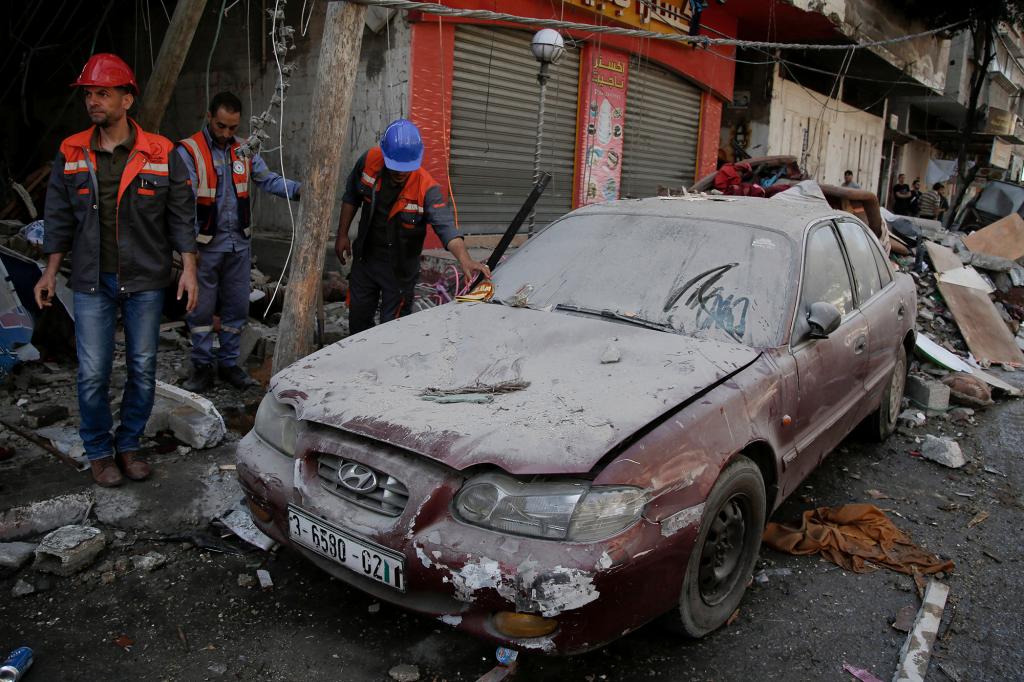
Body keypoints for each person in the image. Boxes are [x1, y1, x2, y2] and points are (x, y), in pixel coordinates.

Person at [35, 54, 199, 487]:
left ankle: (128, 446)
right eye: (89, 94)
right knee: (93, 371)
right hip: (92, 280)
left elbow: (182, 216)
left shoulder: (161, 152)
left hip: (145, 278)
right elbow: (58, 217)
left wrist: (189, 269)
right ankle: (99, 453)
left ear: (127, 99)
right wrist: (49, 273)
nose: (93, 101)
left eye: (103, 93)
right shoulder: (71, 150)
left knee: (143, 368)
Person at [178, 92, 300, 392]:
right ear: (209, 117)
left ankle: (230, 364)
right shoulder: (189, 152)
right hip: (204, 246)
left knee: (236, 307)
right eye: (221, 126)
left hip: (239, 244)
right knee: (201, 310)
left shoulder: (245, 150)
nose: (226, 134)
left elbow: (267, 179)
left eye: (232, 128)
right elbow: (180, 203)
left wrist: (300, 190)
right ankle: (202, 366)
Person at [335, 119, 489, 335]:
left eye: (404, 170)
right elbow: (351, 196)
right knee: (358, 322)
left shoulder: (427, 188)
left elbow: (446, 228)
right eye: (395, 168)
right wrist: (342, 235)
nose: (399, 173)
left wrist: (465, 259)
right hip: (366, 261)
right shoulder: (369, 160)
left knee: (393, 331)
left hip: (399, 271)